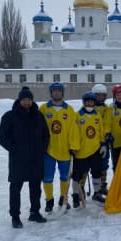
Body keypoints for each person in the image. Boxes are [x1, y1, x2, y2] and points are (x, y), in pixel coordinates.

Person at [0, 87, 50, 228]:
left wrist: (42, 148)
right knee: (15, 189)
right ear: (19, 100)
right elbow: (2, 137)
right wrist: (14, 149)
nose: (27, 102)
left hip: (36, 159)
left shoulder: (38, 116)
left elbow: (46, 135)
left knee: (35, 187)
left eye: (29, 99)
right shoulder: (9, 116)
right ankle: (15, 216)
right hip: (18, 160)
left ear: (32, 100)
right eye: (24, 100)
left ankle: (35, 212)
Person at [39, 83, 80, 212]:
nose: (56, 93)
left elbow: (74, 129)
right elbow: (38, 129)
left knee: (65, 177)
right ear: (51, 93)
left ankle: (63, 198)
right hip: (48, 150)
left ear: (62, 93)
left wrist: (73, 146)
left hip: (65, 149)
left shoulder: (69, 110)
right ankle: (49, 200)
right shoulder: (44, 109)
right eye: (54, 91)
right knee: (47, 177)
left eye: (59, 91)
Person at [71, 92, 107, 208]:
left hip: (95, 150)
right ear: (84, 102)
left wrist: (103, 144)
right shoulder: (78, 115)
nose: (89, 103)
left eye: (91, 102)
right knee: (77, 175)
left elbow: (101, 131)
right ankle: (76, 195)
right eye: (87, 101)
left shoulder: (97, 116)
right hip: (81, 151)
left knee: (96, 172)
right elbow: (74, 133)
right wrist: (74, 147)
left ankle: (96, 193)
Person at [91, 83, 112, 195]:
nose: (100, 98)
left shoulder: (107, 109)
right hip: (90, 142)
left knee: (104, 164)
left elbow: (108, 123)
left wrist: (107, 135)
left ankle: (102, 185)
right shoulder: (88, 108)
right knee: (90, 166)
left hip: (103, 142)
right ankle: (81, 188)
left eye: (102, 95)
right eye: (97, 95)